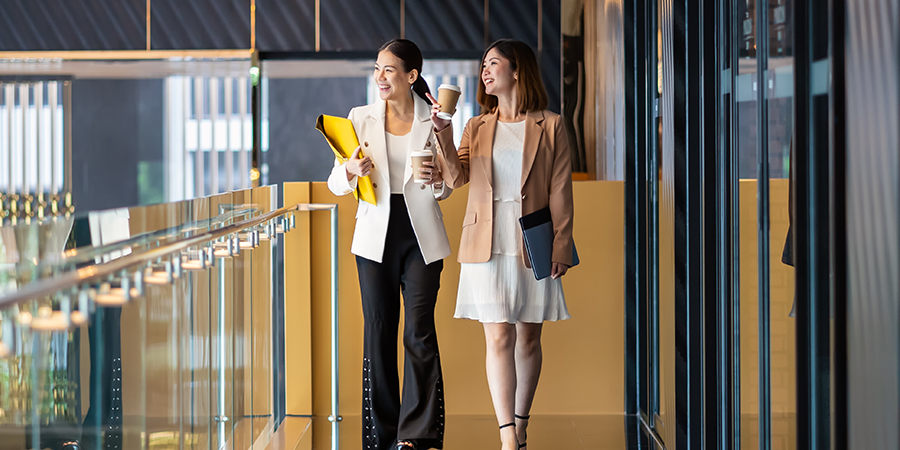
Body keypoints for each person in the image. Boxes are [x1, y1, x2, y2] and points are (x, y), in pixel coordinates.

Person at [428, 39, 576, 450]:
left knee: (529, 337)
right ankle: (507, 434)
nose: (485, 71)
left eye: (494, 63)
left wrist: (562, 244)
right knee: (498, 338)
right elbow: (456, 178)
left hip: (533, 241)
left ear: (517, 70)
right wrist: (443, 130)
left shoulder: (551, 124)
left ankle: (521, 420)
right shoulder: (475, 126)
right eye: (482, 65)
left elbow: (561, 190)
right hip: (485, 242)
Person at [326, 39, 451, 450]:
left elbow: (446, 187)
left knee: (419, 331)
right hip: (374, 236)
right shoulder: (359, 118)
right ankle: (382, 434)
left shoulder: (433, 121)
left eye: (389, 70)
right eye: (377, 69)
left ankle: (418, 434)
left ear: (411, 76)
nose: (380, 77)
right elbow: (335, 185)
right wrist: (349, 169)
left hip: (421, 234)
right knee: (378, 332)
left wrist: (437, 182)